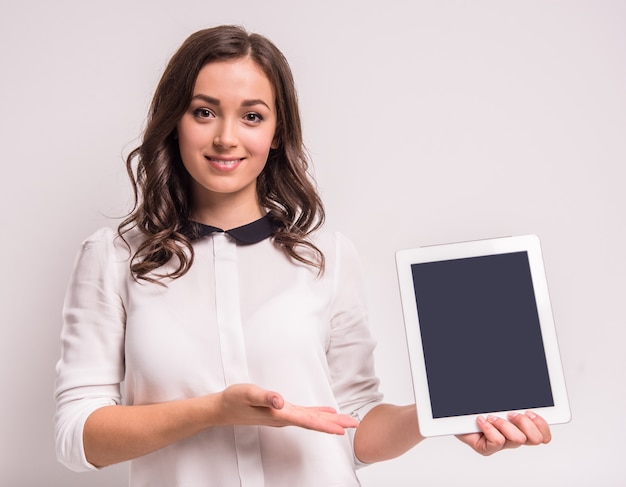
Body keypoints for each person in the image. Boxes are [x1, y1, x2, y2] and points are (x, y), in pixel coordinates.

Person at [54, 25, 551, 486]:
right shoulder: (114, 259)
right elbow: (77, 438)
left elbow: (353, 427)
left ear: (276, 134)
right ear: (174, 122)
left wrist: (440, 413)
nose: (226, 136)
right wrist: (213, 410)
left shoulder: (327, 258)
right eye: (204, 111)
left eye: (252, 116)